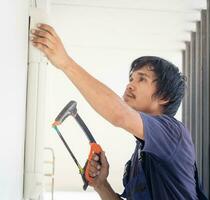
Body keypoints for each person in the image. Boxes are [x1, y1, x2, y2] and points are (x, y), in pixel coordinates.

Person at [31, 23, 198, 200]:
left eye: (142, 79)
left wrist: (66, 63)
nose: (130, 84)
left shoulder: (172, 132)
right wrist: (101, 185)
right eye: (131, 78)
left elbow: (120, 115)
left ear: (164, 96)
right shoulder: (140, 155)